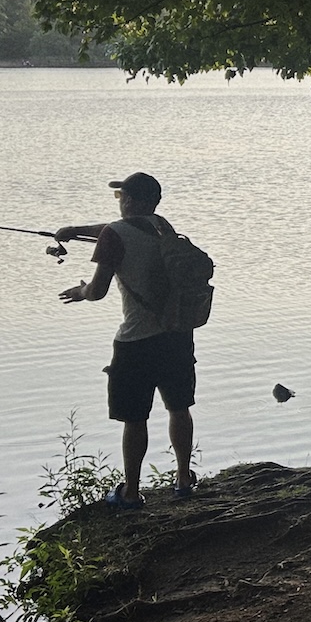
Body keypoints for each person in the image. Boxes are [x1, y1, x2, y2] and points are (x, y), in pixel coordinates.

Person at [55, 172, 197, 509]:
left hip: (136, 341)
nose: (119, 202)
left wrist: (80, 292)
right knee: (179, 408)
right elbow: (114, 229)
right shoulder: (163, 226)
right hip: (176, 334)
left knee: (135, 418)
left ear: (131, 201)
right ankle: (183, 479)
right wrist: (75, 230)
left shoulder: (114, 235)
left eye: (121, 197)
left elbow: (98, 290)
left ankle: (131, 493)